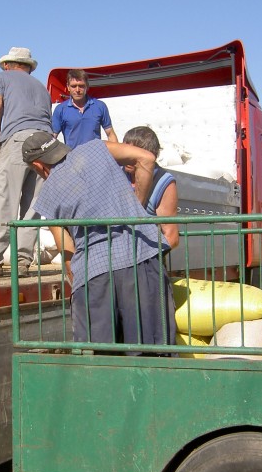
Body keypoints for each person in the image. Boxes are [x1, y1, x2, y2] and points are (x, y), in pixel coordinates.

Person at [22, 132, 175, 348]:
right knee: (152, 351)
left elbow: (67, 253)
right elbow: (147, 159)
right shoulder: (96, 147)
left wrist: (77, 283)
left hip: (94, 274)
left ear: (38, 165)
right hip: (141, 257)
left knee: (99, 357)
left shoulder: (47, 196)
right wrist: (136, 209)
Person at [0, 47, 53, 278]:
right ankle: (22, 263)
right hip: (47, 142)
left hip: (18, 140)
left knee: (4, 199)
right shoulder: (41, 88)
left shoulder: (1, 78)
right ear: (28, 66)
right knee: (33, 207)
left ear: (7, 65)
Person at [122, 126, 179, 249]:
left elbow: (171, 237)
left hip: (147, 258)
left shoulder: (163, 182)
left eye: (134, 154)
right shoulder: (117, 174)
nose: (127, 158)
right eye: (125, 151)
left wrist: (147, 262)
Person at [51, 69, 117, 148]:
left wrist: (117, 157)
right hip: (72, 158)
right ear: (68, 87)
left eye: (81, 86)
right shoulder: (60, 109)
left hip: (96, 157)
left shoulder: (100, 106)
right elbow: (52, 138)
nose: (77, 90)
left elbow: (110, 134)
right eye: (73, 86)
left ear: (87, 86)